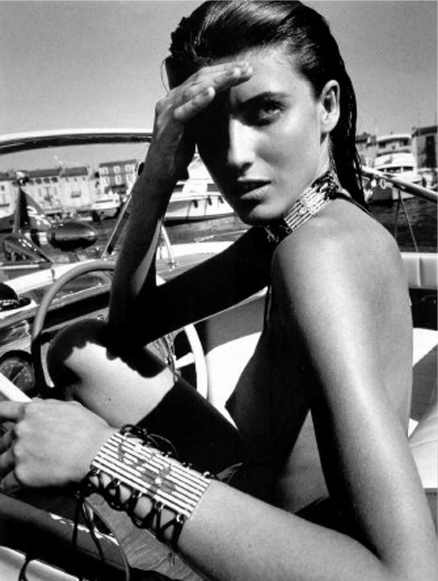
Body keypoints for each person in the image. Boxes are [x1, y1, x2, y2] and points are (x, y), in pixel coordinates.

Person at [0, 2, 436, 580]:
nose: (233, 156)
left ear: (327, 106)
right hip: (258, 486)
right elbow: (128, 327)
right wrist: (157, 175)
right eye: (208, 130)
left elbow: (407, 574)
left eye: (265, 111)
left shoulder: (321, 251)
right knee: (78, 348)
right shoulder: (294, 231)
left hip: (309, 549)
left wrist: (108, 458)